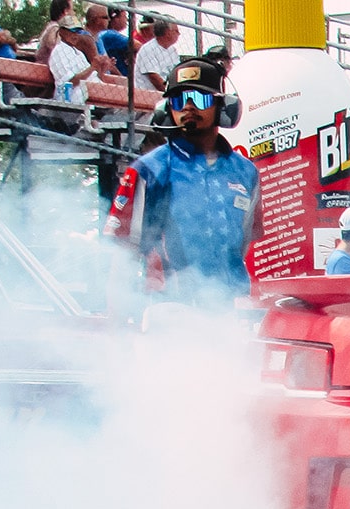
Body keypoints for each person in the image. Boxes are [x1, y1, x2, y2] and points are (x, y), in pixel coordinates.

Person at [104, 59, 262, 306]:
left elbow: (240, 246)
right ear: (166, 110)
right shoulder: (149, 170)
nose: (188, 107)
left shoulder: (246, 172)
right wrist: (117, 334)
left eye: (200, 99)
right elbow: (122, 257)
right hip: (169, 314)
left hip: (230, 312)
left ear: (224, 106)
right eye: (178, 100)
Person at [134, 18, 181, 92]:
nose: (179, 34)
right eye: (176, 31)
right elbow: (154, 78)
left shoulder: (172, 50)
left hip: (169, 90)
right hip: (150, 93)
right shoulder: (148, 49)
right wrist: (170, 92)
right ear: (168, 33)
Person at [95, 5, 134, 71]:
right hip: (120, 75)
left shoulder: (102, 33)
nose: (126, 20)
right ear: (116, 18)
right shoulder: (110, 34)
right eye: (124, 16)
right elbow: (137, 45)